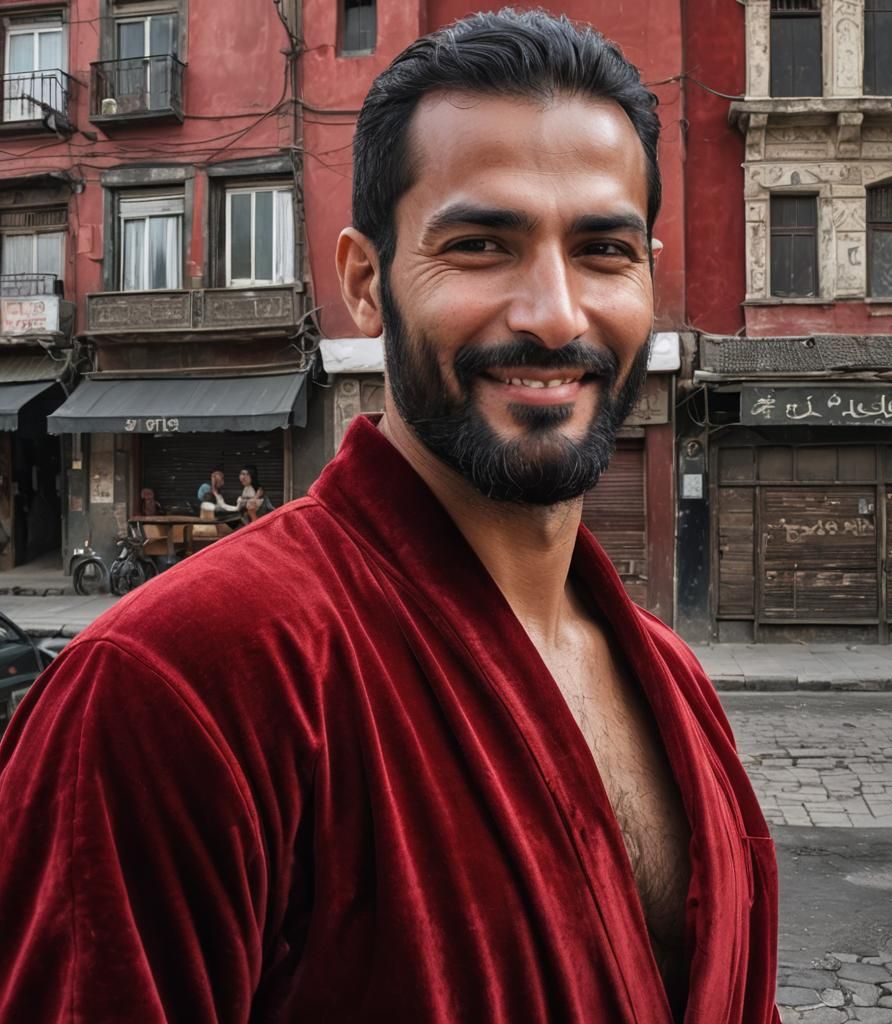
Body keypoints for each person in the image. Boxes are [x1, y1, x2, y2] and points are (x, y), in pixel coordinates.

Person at [0, 11, 780, 1023]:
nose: (552, 312)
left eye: (601, 250)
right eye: (480, 245)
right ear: (366, 284)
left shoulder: (672, 682)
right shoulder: (181, 685)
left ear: (648, 275)